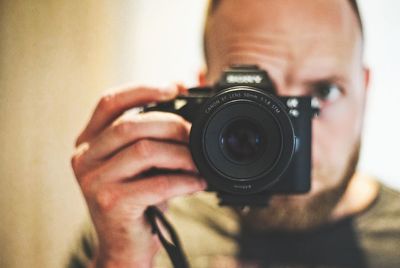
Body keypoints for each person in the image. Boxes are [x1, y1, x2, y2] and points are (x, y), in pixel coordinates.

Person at [69, 0, 400, 267]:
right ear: (207, 93)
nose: (287, 137)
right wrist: (123, 260)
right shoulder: (140, 223)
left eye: (325, 91)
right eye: (253, 98)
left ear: (365, 91)